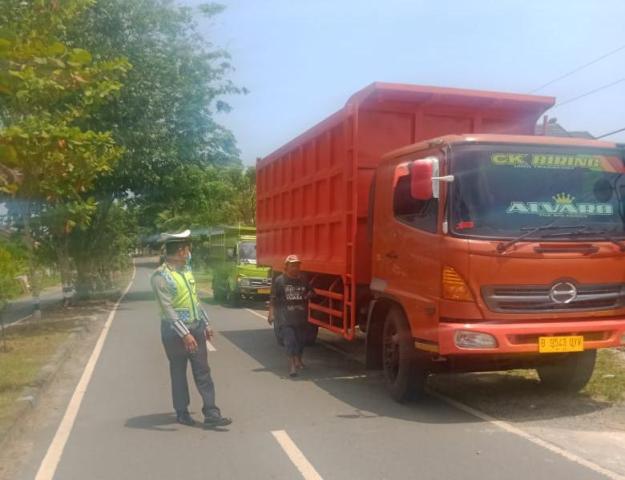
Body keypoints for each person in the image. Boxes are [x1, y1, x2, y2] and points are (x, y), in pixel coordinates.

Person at [151, 230, 231, 427]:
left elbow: (194, 300)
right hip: (173, 333)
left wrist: (206, 322)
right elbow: (167, 309)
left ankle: (211, 413)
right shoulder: (160, 277)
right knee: (178, 371)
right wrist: (185, 334)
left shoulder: (186, 271)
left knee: (203, 370)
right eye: (187, 249)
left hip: (195, 327)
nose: (189, 252)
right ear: (180, 251)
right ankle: (181, 411)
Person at [268, 255, 313, 377]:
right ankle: (292, 366)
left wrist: (308, 295)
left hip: (300, 317)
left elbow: (312, 291)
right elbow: (273, 298)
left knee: (301, 341)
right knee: (290, 341)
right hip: (285, 318)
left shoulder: (304, 279)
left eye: (297, 265)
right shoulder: (280, 281)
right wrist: (271, 313)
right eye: (292, 265)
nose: (295, 268)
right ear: (286, 266)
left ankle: (299, 360)